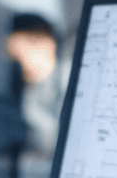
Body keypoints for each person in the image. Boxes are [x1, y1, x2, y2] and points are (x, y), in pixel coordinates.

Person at [5, 12, 70, 156]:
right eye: (15, 57)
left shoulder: (69, 78)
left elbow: (53, 143)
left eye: (27, 51)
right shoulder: (27, 88)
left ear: (50, 43)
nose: (22, 64)